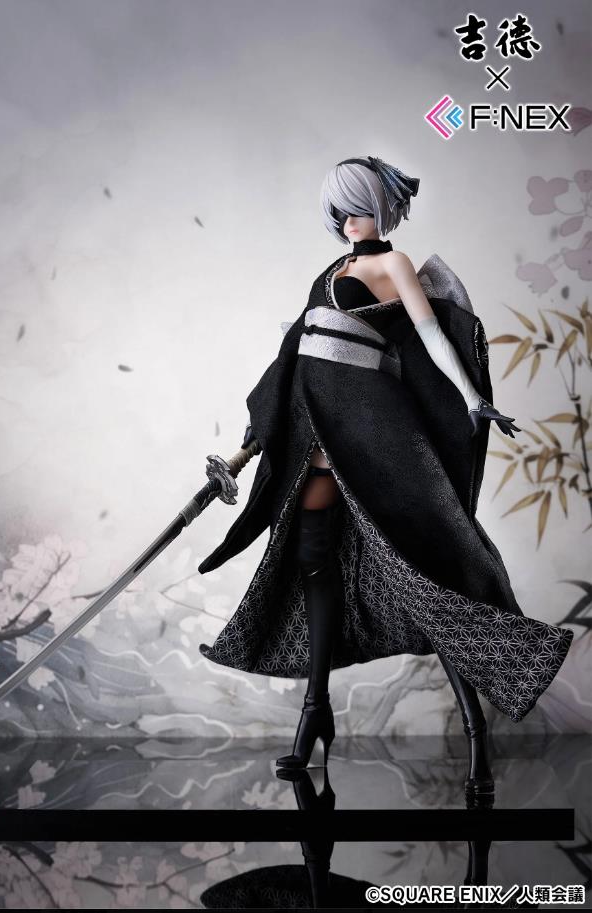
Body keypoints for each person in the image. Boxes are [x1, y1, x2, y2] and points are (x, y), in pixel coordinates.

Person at [197, 156, 573, 802]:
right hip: (315, 434)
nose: (348, 220)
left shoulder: (394, 265)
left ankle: (476, 734)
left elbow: (430, 334)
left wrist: (471, 397)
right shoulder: (331, 272)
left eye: (358, 208)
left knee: (427, 579)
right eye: (339, 210)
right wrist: (244, 451)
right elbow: (291, 363)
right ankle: (316, 712)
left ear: (381, 209)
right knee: (312, 562)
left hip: (372, 435)